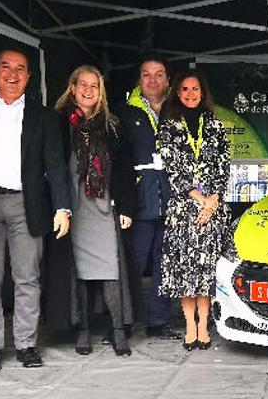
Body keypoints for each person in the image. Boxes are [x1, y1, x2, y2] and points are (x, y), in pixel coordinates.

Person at [0, 49, 71, 372]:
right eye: (6, 67)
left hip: (27, 204)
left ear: (29, 76)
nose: (12, 74)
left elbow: (56, 165)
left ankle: (26, 344)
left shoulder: (44, 117)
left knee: (27, 276)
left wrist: (62, 208)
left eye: (20, 69)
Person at [54, 65, 136, 357]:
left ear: (100, 91)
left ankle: (117, 330)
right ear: (73, 88)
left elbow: (125, 170)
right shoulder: (61, 122)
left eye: (95, 86)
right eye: (83, 85)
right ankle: (83, 329)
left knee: (110, 268)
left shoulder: (112, 125)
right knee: (79, 271)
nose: (89, 91)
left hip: (104, 207)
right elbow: (52, 165)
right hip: (73, 207)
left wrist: (126, 207)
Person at [158, 69, 230, 351]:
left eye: (195, 89)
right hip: (183, 209)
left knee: (206, 271)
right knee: (186, 272)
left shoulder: (215, 125)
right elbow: (172, 169)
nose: (190, 94)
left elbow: (224, 166)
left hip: (211, 209)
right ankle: (190, 325)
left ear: (203, 92)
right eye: (185, 89)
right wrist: (198, 197)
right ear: (177, 92)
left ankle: (203, 326)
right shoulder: (168, 126)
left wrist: (212, 200)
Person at [117, 55, 179, 340]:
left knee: (165, 262)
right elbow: (118, 160)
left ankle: (158, 321)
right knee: (133, 262)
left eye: (158, 74)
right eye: (146, 74)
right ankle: (124, 322)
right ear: (138, 79)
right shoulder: (125, 112)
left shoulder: (177, 109)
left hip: (173, 199)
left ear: (167, 79)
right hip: (139, 201)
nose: (152, 80)